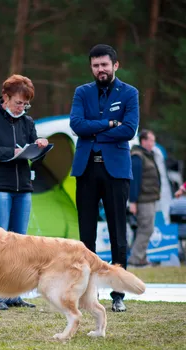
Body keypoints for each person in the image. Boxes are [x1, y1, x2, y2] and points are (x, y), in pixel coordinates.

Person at [69, 44, 139, 312]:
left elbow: (130, 130)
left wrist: (93, 131)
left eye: (105, 65)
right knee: (86, 234)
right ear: (91, 67)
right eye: (96, 65)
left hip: (116, 170)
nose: (100, 69)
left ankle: (118, 293)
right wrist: (110, 124)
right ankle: (86, 291)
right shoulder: (81, 92)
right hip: (86, 169)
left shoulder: (129, 93)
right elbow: (76, 125)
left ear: (115, 65)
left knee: (117, 232)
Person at [0, 74, 49, 310]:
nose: (22, 107)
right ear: (5, 97)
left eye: (26, 104)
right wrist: (10, 153)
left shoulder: (28, 122)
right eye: (18, 102)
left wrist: (40, 148)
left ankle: (14, 295)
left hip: (23, 188)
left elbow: (33, 154)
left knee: (19, 245)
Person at [128, 130, 161, 267]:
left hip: (149, 198)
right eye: (151, 140)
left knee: (144, 228)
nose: (153, 143)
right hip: (143, 200)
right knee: (146, 229)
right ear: (143, 141)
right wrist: (133, 201)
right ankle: (135, 259)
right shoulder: (137, 156)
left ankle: (141, 258)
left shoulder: (147, 155)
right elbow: (134, 181)